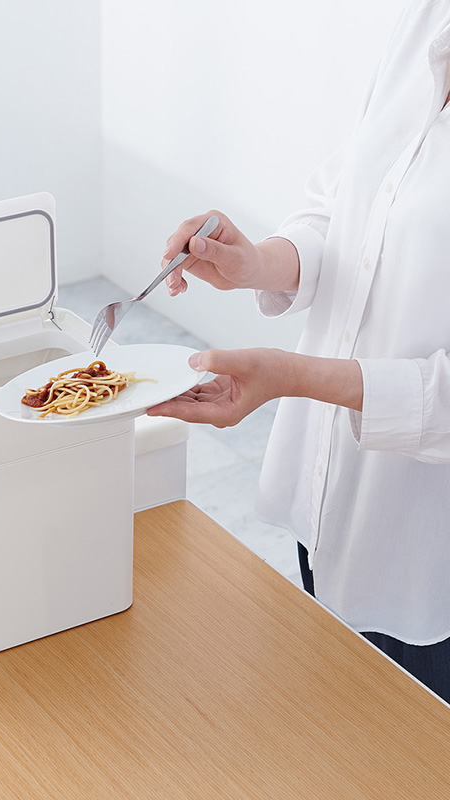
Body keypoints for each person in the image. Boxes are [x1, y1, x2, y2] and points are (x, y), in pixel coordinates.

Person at [147, 0, 450, 703]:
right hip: (330, 499)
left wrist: (290, 376)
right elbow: (347, 206)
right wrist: (256, 261)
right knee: (327, 718)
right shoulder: (424, 20)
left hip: (424, 554)